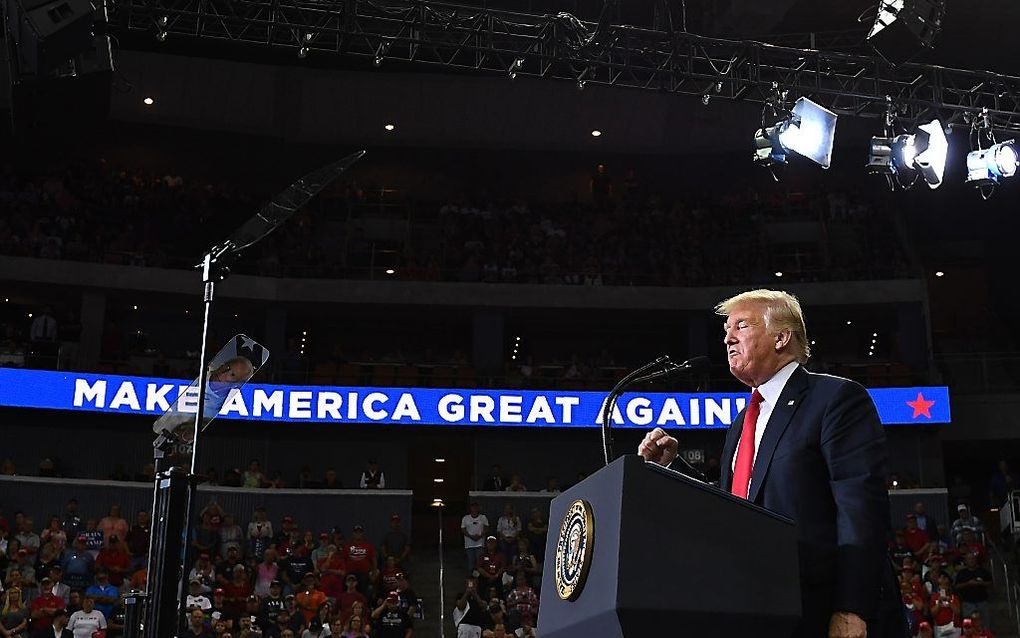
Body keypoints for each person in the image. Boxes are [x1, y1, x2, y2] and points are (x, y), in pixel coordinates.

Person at [638, 289, 904, 638]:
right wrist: (673, 468)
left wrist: (852, 607)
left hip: (822, 610)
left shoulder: (835, 399)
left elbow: (861, 509)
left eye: (741, 326)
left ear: (781, 337)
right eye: (725, 332)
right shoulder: (742, 422)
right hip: (761, 607)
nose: (728, 338)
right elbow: (736, 506)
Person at [954, 553, 993, 628]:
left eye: (973, 559)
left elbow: (990, 583)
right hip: (967, 603)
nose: (971, 561)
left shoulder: (983, 571)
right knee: (968, 626)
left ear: (976, 560)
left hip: (982, 602)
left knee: (985, 624)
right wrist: (967, 584)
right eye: (969, 559)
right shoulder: (962, 573)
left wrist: (980, 583)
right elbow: (956, 586)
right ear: (965, 561)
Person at [461, 504, 488, 573]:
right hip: (469, 544)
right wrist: (471, 536)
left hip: (480, 543)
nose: (474, 509)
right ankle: (471, 578)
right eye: (473, 508)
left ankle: (480, 577)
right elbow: (463, 529)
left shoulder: (483, 517)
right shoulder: (465, 518)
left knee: (480, 561)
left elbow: (486, 528)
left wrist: (479, 536)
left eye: (476, 508)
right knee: (471, 561)